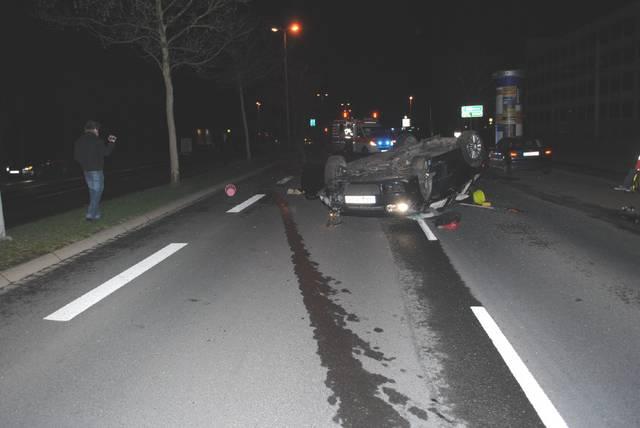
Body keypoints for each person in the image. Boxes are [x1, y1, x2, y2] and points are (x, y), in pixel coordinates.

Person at [73, 120, 116, 221]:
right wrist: (111, 142)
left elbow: (76, 157)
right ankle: (90, 213)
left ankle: (96, 214)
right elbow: (106, 153)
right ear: (95, 129)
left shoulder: (79, 141)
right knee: (98, 192)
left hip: (86, 171)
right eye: (98, 130)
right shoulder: (97, 140)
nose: (98, 132)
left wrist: (85, 164)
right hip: (96, 170)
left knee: (93, 192)